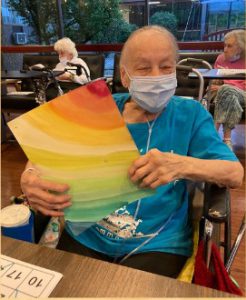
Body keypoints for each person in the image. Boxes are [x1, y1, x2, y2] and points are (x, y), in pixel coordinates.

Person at [20, 26, 244, 279]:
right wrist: (28, 174)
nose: (157, 77)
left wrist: (179, 165)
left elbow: (234, 173)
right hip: (85, 234)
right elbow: (44, 145)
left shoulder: (190, 115)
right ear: (125, 76)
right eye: (144, 68)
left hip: (160, 244)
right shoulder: (95, 107)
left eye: (167, 67)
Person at [210, 29, 245, 150]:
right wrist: (217, 85)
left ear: (240, 48)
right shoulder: (220, 58)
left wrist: (223, 87)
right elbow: (214, 80)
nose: (225, 49)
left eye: (229, 46)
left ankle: (213, 133)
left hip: (243, 95)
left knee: (226, 89)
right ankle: (227, 139)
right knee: (227, 93)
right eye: (224, 45)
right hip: (225, 95)